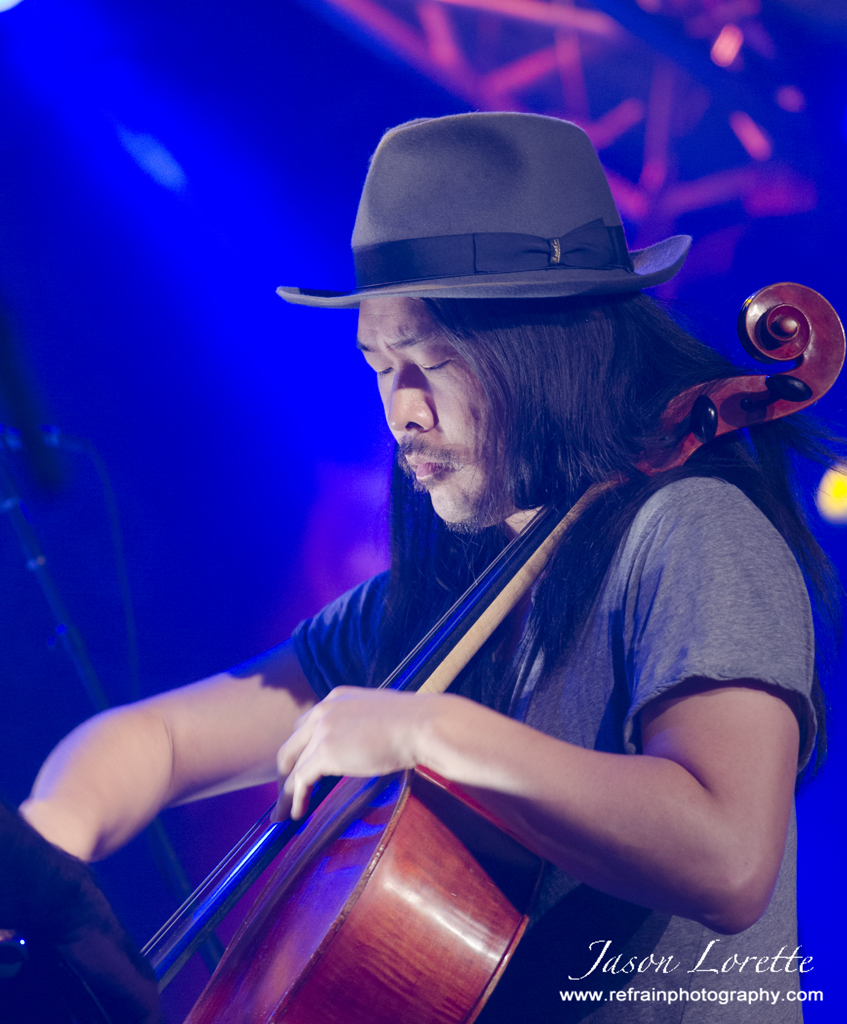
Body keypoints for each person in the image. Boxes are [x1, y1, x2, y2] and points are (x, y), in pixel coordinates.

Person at [18, 113, 838, 1022]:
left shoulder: (691, 530)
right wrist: (45, 877)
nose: (402, 412)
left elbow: (725, 859)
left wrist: (432, 732)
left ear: (546, 352)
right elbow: (154, 742)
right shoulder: (436, 604)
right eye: (379, 367)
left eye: (432, 362)